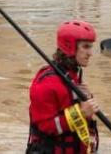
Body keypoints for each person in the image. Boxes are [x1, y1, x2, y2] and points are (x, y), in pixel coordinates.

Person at [27, 20, 99, 154]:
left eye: (90, 47)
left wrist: (87, 101)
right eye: (86, 47)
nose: (90, 53)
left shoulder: (73, 76)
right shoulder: (45, 85)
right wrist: (80, 113)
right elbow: (45, 127)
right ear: (70, 47)